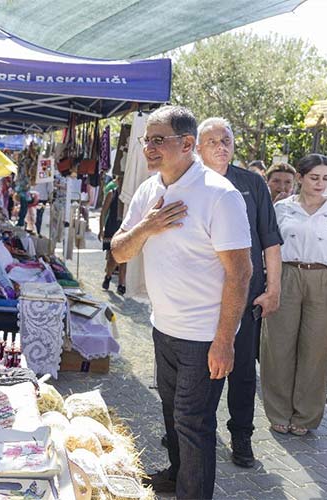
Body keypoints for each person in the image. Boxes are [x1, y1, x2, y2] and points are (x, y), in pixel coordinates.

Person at [111, 105, 252, 499]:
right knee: (174, 418)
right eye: (147, 140)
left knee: (194, 424)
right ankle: (176, 476)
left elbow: (241, 273)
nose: (149, 148)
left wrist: (225, 341)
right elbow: (119, 252)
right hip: (163, 327)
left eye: (160, 140)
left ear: (188, 144)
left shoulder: (219, 195)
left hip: (204, 336)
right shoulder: (149, 190)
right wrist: (148, 225)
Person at [196, 117, 283, 468]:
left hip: (246, 295)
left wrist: (274, 288)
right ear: (197, 147)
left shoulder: (252, 184)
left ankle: (242, 436)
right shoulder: (188, 183)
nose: (221, 145)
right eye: (213, 140)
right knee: (197, 368)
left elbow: (271, 240)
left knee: (243, 371)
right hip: (199, 298)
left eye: (227, 139)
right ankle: (189, 431)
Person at [262, 154, 327, 436]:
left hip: (325, 280)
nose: (320, 183)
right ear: (301, 178)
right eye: (314, 177)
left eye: (326, 178)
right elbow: (267, 248)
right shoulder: (282, 208)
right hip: (285, 276)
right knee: (277, 346)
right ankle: (278, 412)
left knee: (316, 349)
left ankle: (305, 416)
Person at [98, 175, 126, 295]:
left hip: (124, 228)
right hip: (112, 228)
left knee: (125, 257)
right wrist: (101, 229)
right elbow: (103, 212)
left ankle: (121, 284)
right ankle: (108, 276)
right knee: (112, 257)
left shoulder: (129, 197)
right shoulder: (112, 193)